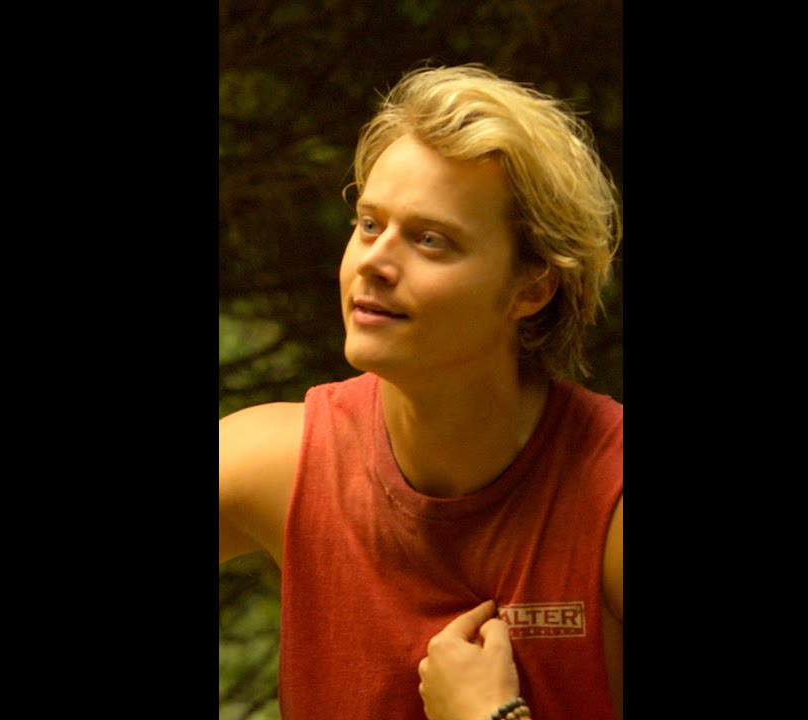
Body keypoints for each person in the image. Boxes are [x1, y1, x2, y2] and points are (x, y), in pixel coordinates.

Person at [219, 63, 623, 719]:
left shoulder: (609, 500)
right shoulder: (275, 466)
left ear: (531, 288)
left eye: (430, 240)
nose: (374, 261)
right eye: (368, 224)